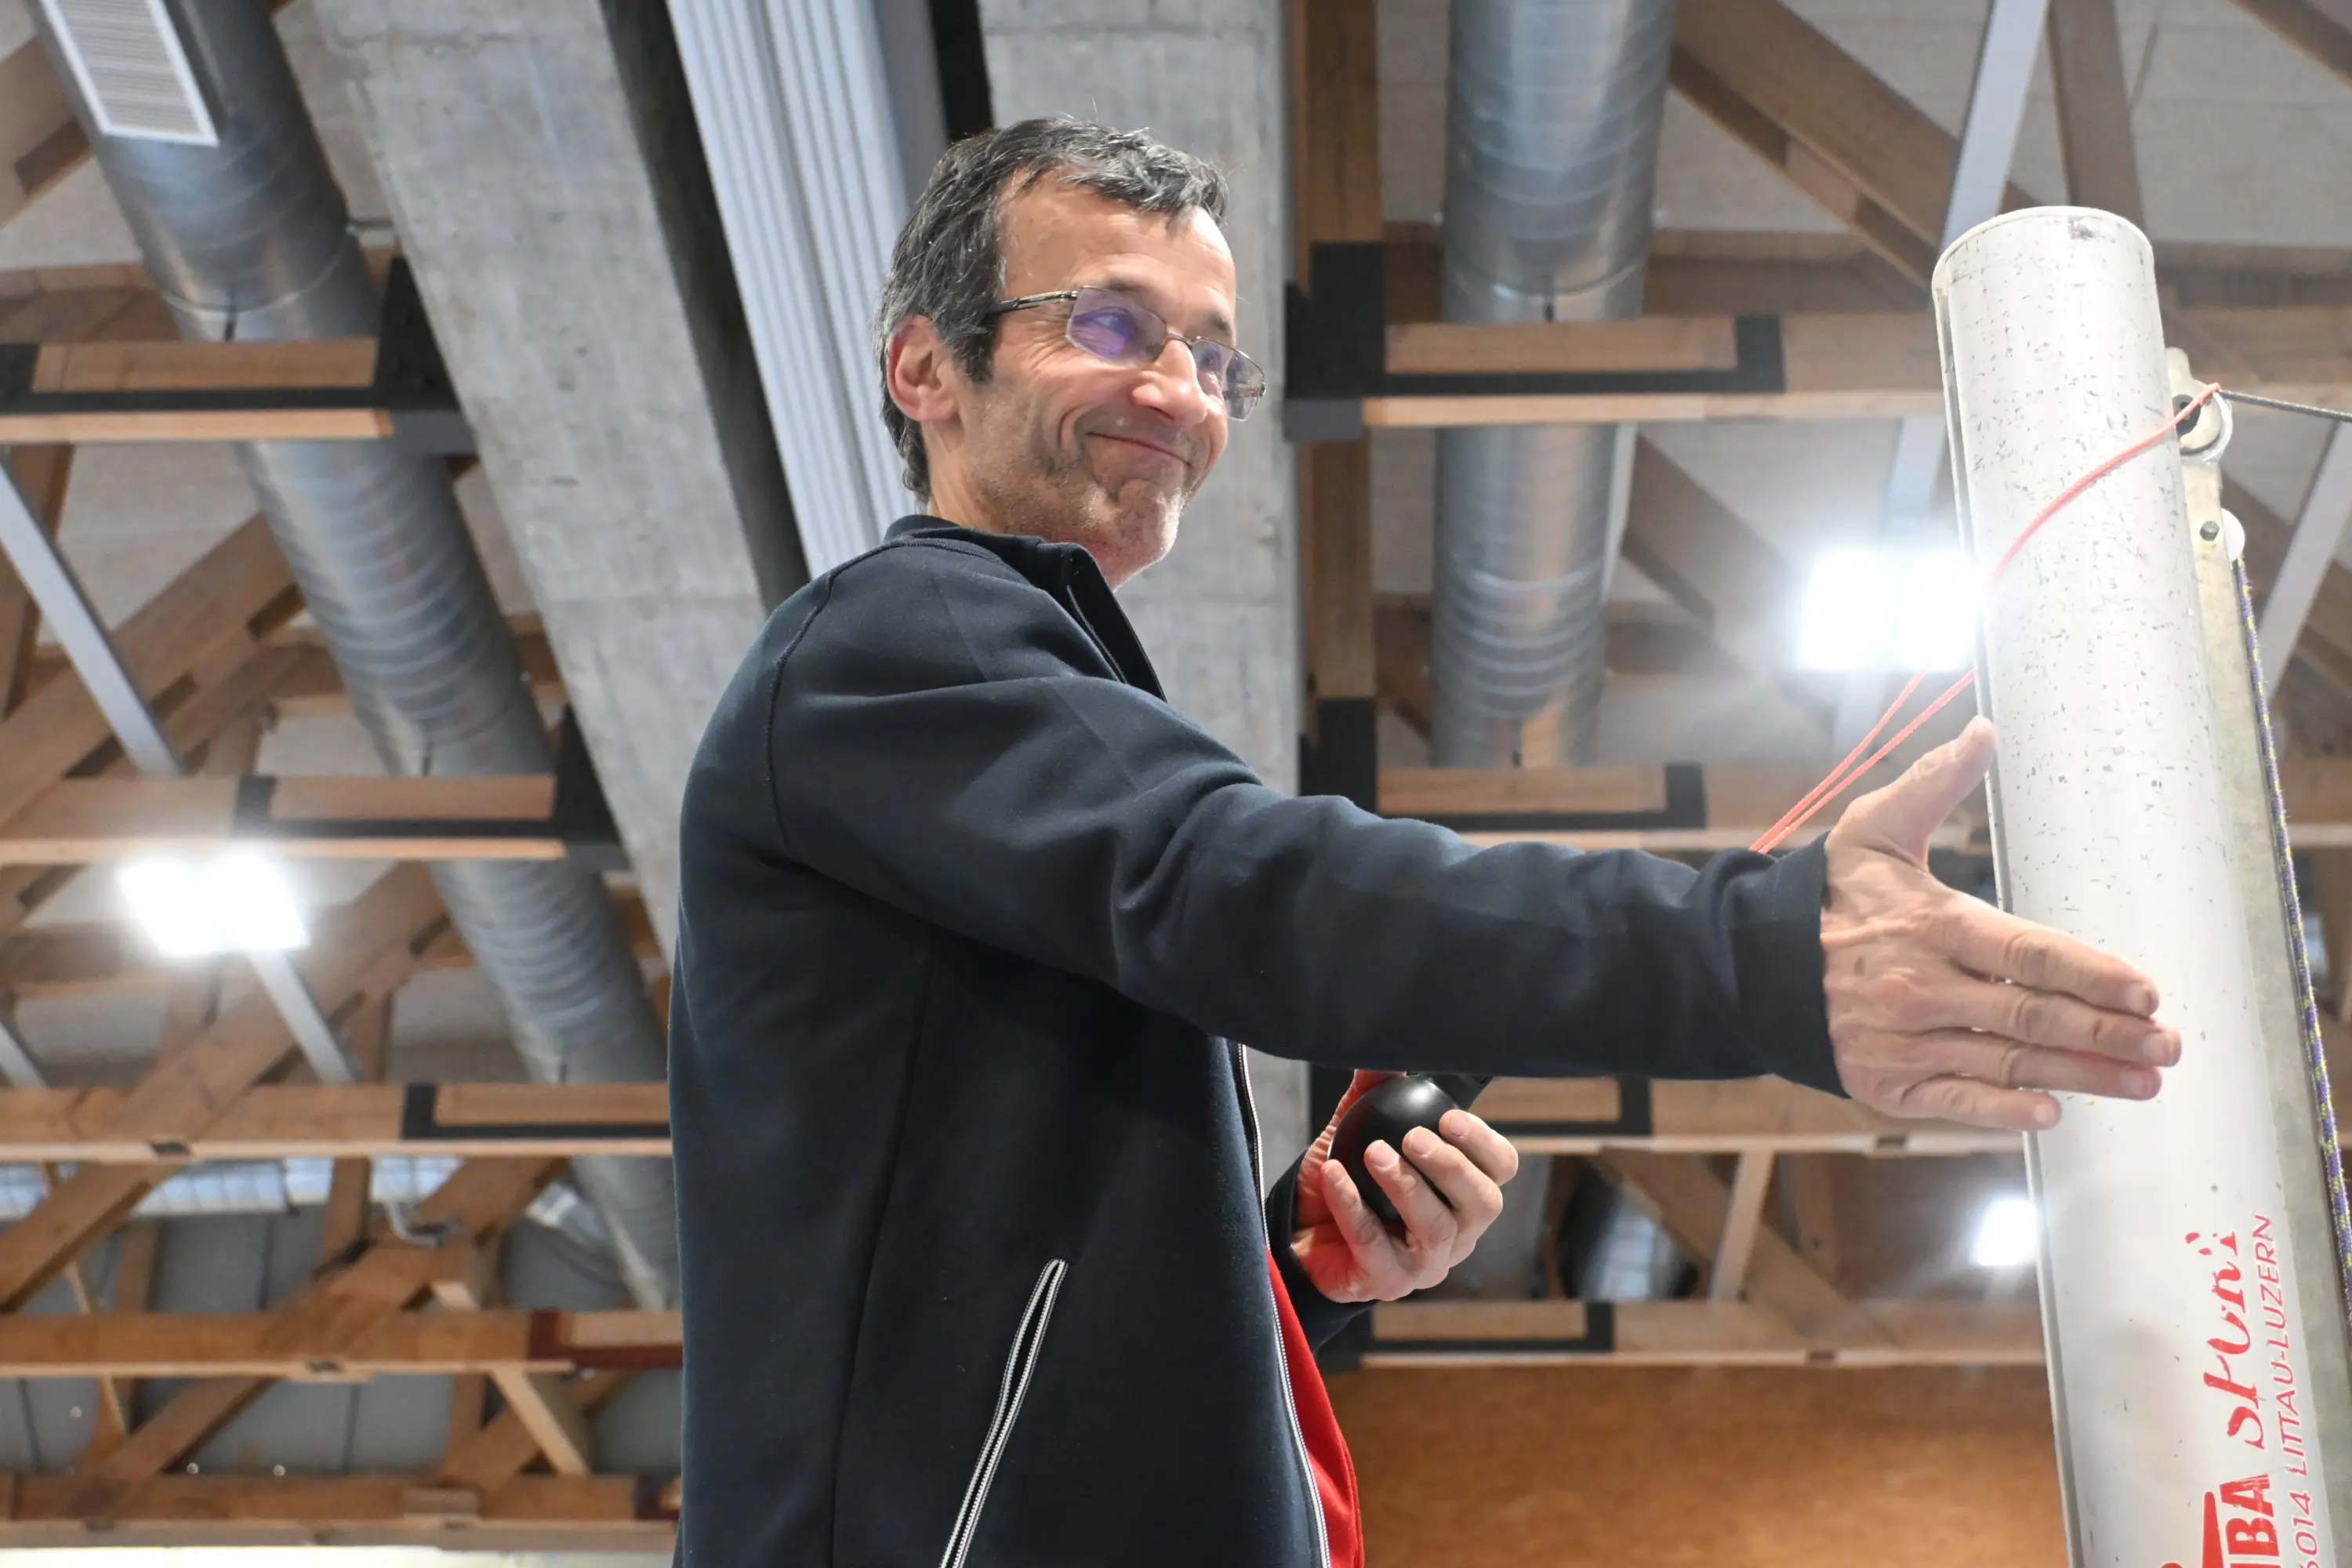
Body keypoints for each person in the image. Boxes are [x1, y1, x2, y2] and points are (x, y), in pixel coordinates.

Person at [666, 119, 2179, 1567]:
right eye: (1112, 325)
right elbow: (1231, 883)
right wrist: (1761, 953)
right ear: (925, 366)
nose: (1182, 393)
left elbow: (1009, 1289)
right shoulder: (891, 643)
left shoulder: (1004, 729)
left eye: (1214, 356)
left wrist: (1290, 1270)